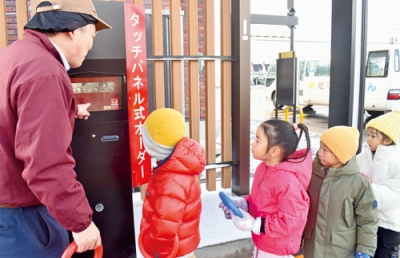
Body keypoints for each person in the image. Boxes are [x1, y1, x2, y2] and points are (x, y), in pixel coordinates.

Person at [0, 0, 111, 257]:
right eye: (91, 35)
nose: (91, 45)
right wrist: (80, 222)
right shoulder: (45, 71)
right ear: (73, 30)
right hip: (26, 222)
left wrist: (69, 110)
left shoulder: (12, 55)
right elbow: (46, 164)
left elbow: (13, 117)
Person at [219, 119, 313, 258]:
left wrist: (256, 224)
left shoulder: (288, 181)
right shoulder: (264, 168)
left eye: (257, 140)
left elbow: (291, 221)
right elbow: (262, 200)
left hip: (277, 250)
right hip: (263, 243)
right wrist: (244, 204)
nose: (252, 144)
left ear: (275, 151)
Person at [138, 108, 206, 258]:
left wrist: (150, 246)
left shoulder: (170, 179)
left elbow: (164, 227)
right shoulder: (180, 164)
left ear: (154, 145)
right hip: (183, 244)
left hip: (171, 251)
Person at [303, 126, 379, 258]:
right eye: (320, 147)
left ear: (340, 156)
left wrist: (364, 249)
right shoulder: (311, 173)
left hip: (340, 250)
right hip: (312, 248)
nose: (319, 152)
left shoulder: (358, 183)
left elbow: (368, 220)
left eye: (325, 150)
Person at [357, 111, 400, 258]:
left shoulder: (396, 160)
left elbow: (395, 194)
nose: (368, 139)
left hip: (388, 226)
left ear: (387, 140)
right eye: (368, 134)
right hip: (366, 223)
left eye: (373, 136)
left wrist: (367, 187)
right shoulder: (365, 155)